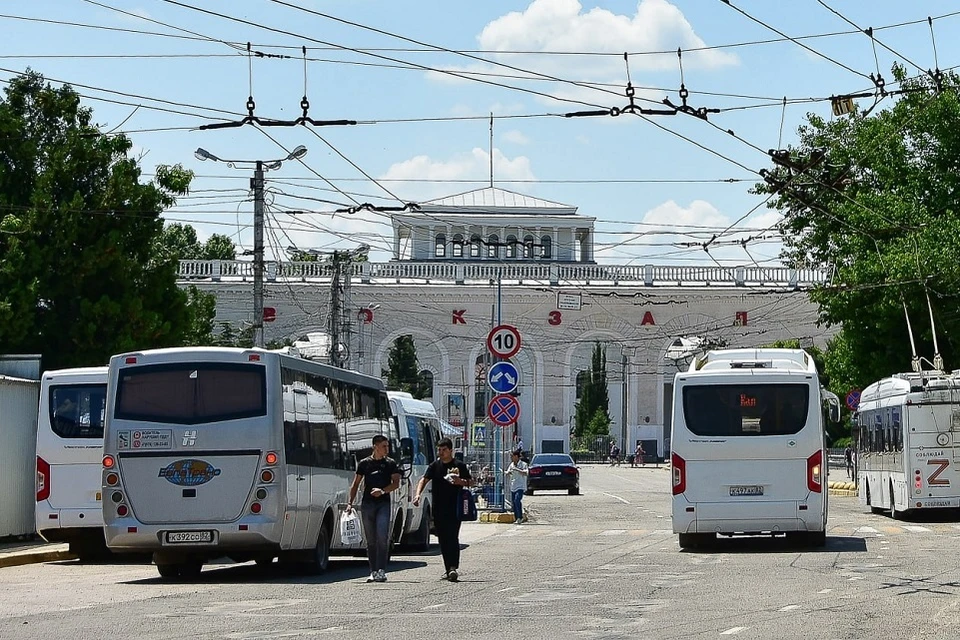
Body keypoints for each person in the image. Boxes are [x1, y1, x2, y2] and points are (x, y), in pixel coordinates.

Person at [413, 437, 472, 582]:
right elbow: (424, 479)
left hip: (455, 507)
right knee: (443, 539)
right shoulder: (435, 466)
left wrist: (460, 481)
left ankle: (453, 567)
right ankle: (448, 568)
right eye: (439, 450)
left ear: (451, 451)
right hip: (438, 507)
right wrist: (417, 494)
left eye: (444, 450)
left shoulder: (459, 465)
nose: (441, 452)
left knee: (452, 536)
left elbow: (471, 481)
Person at [347, 435, 401, 584]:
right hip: (368, 504)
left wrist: (382, 491)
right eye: (384, 446)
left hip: (383, 503)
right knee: (370, 540)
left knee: (382, 537)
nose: (387, 449)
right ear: (375, 447)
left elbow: (396, 483)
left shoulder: (390, 463)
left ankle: (382, 570)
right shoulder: (365, 463)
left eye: (387, 446)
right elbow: (356, 484)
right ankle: (373, 571)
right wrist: (350, 503)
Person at [506, 450, 529, 524]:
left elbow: (526, 473)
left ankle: (520, 517)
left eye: (512, 456)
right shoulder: (512, 465)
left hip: (520, 486)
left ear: (516, 456)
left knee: (517, 500)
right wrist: (507, 473)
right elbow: (508, 472)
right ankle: (517, 518)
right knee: (514, 503)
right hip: (513, 486)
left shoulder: (523, 464)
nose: (511, 458)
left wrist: (518, 470)